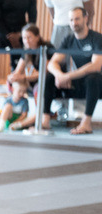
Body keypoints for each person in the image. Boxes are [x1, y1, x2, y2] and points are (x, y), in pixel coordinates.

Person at [43, 6, 102, 135]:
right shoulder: (69, 39)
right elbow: (52, 63)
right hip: (75, 82)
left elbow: (96, 65)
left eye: (77, 19)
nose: (74, 23)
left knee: (94, 77)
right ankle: (45, 120)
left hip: (96, 85)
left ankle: (86, 123)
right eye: (71, 20)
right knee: (50, 77)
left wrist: (68, 76)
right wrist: (60, 76)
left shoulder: (97, 38)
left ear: (85, 19)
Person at [6, 23, 52, 95]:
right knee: (15, 84)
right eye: (24, 38)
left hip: (50, 79)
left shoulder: (46, 47)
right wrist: (12, 77)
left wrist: (23, 78)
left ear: (37, 37)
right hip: (38, 78)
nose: (26, 41)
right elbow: (18, 71)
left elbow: (44, 73)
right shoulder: (27, 50)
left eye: (29, 37)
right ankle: (16, 104)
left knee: (33, 85)